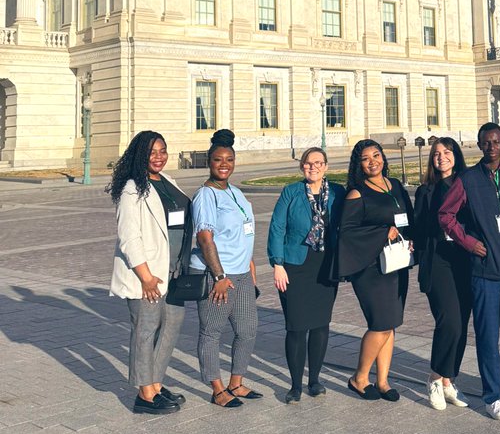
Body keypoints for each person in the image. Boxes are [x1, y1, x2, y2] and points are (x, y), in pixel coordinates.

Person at [438, 122, 500, 421]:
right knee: (489, 336)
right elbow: (446, 215)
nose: (491, 147)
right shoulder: (467, 179)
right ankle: (492, 395)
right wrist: (468, 242)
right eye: (485, 143)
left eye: (496, 142)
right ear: (479, 146)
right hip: (485, 270)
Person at [108, 131, 190, 414]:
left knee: (170, 327)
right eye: (152, 152)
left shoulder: (167, 181)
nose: (159, 157)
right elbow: (129, 236)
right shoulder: (132, 188)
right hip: (149, 275)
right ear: (140, 155)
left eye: (163, 151)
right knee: (146, 330)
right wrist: (145, 276)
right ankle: (144, 394)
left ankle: (155, 382)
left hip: (174, 271)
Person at [335, 139, 414, 401]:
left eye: (376, 155)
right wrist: (382, 233)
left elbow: (408, 219)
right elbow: (347, 232)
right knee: (380, 323)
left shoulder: (396, 186)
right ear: (358, 164)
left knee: (390, 324)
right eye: (366, 158)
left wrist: (409, 237)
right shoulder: (357, 193)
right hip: (370, 269)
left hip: (395, 263)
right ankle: (359, 377)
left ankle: (382, 381)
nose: (373, 161)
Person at [267, 147, 345, 404]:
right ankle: (295, 384)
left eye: (318, 163)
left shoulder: (336, 192)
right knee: (297, 326)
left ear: (326, 166)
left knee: (321, 325)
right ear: (302, 166)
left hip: (325, 266)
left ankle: (315, 380)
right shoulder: (291, 192)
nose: (313, 167)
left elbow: (350, 223)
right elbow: (277, 227)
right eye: (308, 163)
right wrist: (277, 263)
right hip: (295, 265)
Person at [191, 129, 261, 408]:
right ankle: (217, 388)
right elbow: (205, 237)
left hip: (242, 274)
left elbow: (244, 233)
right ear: (209, 161)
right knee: (212, 332)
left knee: (248, 330)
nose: (224, 164)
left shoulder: (234, 191)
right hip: (216, 275)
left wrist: (250, 268)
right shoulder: (206, 195)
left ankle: (236, 382)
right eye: (218, 159)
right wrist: (219, 276)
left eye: (229, 159)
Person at [414, 137, 471, 411]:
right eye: (436, 154)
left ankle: (448, 381)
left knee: (461, 325)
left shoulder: (468, 184)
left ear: (456, 155)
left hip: (463, 260)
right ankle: (435, 378)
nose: (441, 157)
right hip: (437, 261)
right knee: (449, 321)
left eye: (447, 152)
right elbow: (418, 226)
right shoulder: (426, 190)